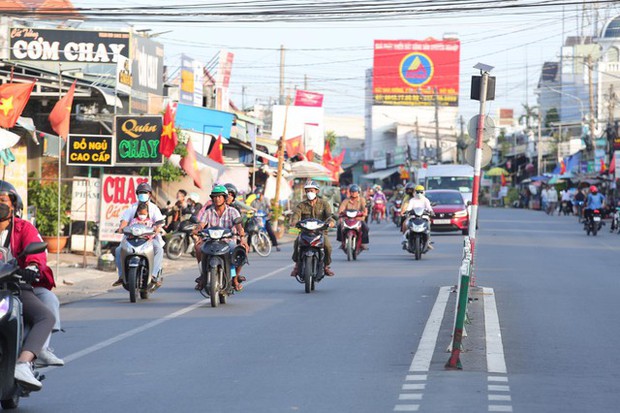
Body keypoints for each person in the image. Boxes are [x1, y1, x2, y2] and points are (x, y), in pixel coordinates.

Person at [0, 181, 55, 391]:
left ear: (14, 205)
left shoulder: (24, 228)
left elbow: (36, 253)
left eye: (3, 200)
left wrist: (32, 266)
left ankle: (23, 363)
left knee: (46, 316)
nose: (0, 205)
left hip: (14, 286)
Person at [194, 185, 249, 291]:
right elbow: (201, 224)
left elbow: (239, 226)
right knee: (198, 248)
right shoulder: (208, 212)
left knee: (242, 250)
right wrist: (198, 231)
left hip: (228, 242)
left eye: (220, 196)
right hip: (210, 241)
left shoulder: (233, 211)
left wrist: (242, 238)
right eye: (215, 196)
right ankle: (202, 275)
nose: (217, 199)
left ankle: (235, 278)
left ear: (224, 198)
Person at [113, 183, 165, 287]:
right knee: (118, 250)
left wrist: (156, 229)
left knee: (159, 249)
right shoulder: (132, 208)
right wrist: (121, 228)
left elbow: (159, 223)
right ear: (137, 194)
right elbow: (124, 221)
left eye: (145, 193)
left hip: (149, 239)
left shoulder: (154, 208)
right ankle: (121, 276)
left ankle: (154, 275)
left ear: (149, 194)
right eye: (140, 193)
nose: (143, 194)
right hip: (131, 239)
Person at [290, 180, 335, 277]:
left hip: (320, 232)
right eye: (307, 191)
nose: (309, 193)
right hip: (305, 232)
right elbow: (296, 215)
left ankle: (326, 266)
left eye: (311, 190)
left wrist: (331, 223)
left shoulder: (324, 204)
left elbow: (329, 216)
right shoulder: (301, 205)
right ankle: (297, 265)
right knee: (297, 243)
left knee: (327, 246)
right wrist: (294, 222)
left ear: (317, 191)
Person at [402, 185, 434, 250]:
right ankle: (405, 240)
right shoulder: (412, 200)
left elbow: (429, 207)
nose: (419, 194)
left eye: (421, 192)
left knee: (428, 224)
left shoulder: (426, 200)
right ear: (415, 192)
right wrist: (407, 211)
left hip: (424, 216)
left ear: (423, 192)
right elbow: (409, 207)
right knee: (406, 224)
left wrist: (431, 211)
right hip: (413, 216)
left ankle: (428, 241)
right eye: (417, 192)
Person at [337, 184, 369, 249]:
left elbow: (364, 208)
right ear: (350, 192)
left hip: (359, 219)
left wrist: (364, 213)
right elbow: (341, 209)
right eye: (352, 192)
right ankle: (342, 242)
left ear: (358, 192)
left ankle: (363, 243)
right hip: (347, 219)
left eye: (355, 192)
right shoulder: (346, 200)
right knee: (339, 226)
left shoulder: (362, 200)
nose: (354, 193)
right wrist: (340, 213)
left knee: (365, 228)